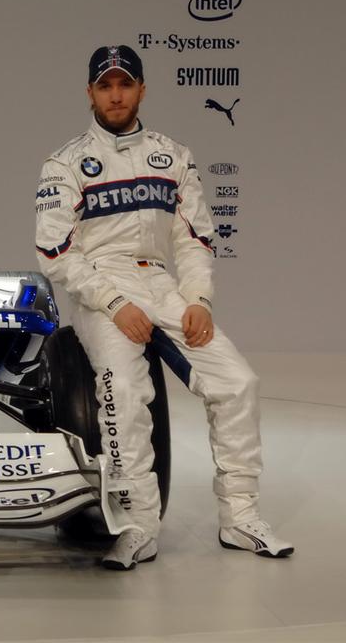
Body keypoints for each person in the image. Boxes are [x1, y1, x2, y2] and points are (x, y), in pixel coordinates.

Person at [35, 45, 293, 570]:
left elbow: (193, 239)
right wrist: (114, 303)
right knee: (125, 392)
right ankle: (138, 526)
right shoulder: (64, 163)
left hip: (160, 283)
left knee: (237, 382)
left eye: (124, 84)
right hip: (100, 289)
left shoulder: (173, 155)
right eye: (105, 85)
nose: (115, 95)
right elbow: (56, 251)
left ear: (141, 90)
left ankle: (240, 517)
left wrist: (198, 300)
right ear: (90, 93)